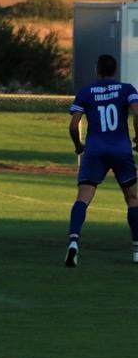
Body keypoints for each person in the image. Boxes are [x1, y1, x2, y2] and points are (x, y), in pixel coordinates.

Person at [63, 54, 138, 267]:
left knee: (83, 197)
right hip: (121, 149)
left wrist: (78, 145)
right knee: (132, 198)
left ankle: (74, 242)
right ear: (115, 70)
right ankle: (136, 249)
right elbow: (137, 113)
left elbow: (73, 126)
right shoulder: (127, 89)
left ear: (97, 70)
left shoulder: (86, 91)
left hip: (95, 150)